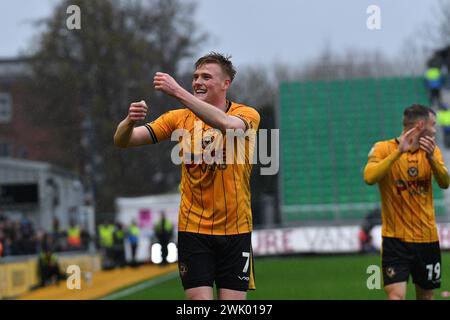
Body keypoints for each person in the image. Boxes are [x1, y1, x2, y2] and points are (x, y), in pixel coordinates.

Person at [114, 52, 260, 300]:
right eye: (195, 77)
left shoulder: (247, 115)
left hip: (236, 229)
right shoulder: (178, 119)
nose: (198, 82)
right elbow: (123, 141)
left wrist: (178, 92)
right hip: (194, 229)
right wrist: (128, 121)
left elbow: (227, 125)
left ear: (226, 84)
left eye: (206, 77)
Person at [364, 104, 449, 300]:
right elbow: (369, 178)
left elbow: (445, 183)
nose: (435, 130)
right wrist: (397, 153)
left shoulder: (432, 151)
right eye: (433, 125)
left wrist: (432, 160)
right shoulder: (383, 148)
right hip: (395, 240)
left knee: (426, 296)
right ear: (420, 126)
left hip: (426, 239)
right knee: (396, 296)